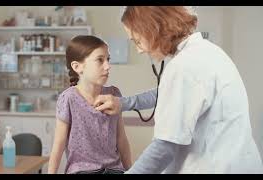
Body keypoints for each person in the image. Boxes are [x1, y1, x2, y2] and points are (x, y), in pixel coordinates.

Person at [94, 6, 263, 174]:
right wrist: (122, 103)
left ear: (154, 29)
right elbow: (168, 93)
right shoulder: (207, 52)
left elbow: (165, 147)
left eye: (137, 41)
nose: (139, 50)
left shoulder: (184, 66)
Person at [48, 35, 132, 174]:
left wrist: (131, 171)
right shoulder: (69, 98)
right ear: (77, 67)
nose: (107, 66)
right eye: (100, 60)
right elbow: (59, 145)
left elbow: (121, 139)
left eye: (108, 59)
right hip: (82, 171)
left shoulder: (114, 95)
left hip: (114, 170)